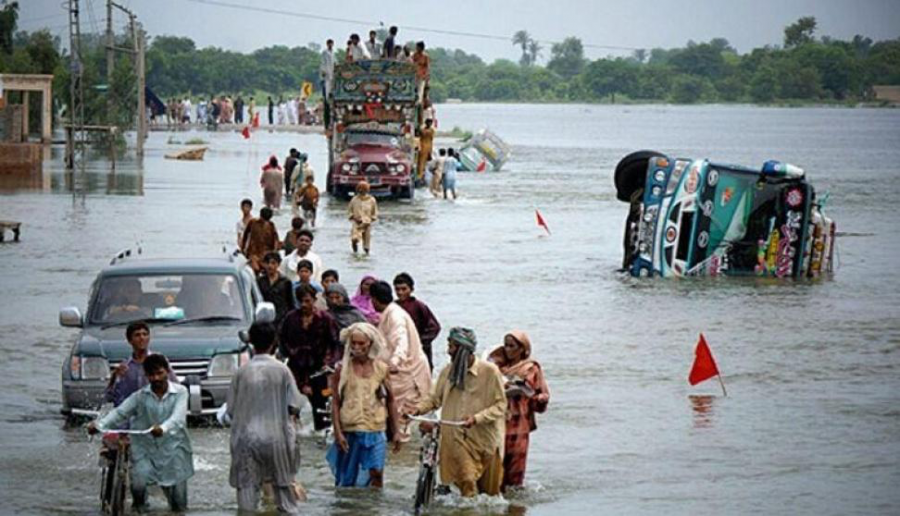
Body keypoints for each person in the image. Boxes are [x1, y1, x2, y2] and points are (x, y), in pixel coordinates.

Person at [407, 328, 506, 498]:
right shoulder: (447, 371)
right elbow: (434, 399)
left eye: (452, 347)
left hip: (483, 438)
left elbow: (500, 405)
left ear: (464, 350)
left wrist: (477, 418)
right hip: (455, 437)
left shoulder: (490, 372)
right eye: (449, 345)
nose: (448, 351)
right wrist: (416, 409)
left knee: (490, 493)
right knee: (467, 481)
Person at [87, 354, 194, 512]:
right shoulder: (139, 396)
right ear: (147, 376)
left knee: (179, 502)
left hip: (174, 448)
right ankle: (141, 510)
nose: (156, 378)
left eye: (160, 373)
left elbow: (178, 418)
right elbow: (120, 413)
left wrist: (163, 428)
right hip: (145, 448)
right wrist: (99, 425)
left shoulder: (181, 392)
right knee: (138, 485)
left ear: (167, 372)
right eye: (152, 375)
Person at [225, 322, 304, 512]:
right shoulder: (282, 370)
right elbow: (295, 404)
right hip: (277, 439)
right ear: (274, 342)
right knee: (285, 498)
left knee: (247, 501)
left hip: (245, 440)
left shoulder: (240, 372)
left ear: (250, 342)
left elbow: (231, 410)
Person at [327, 322, 402, 487]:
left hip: (375, 428)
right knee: (347, 478)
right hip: (350, 430)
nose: (357, 347)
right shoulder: (342, 370)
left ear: (370, 344)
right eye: (353, 343)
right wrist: (338, 433)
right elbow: (336, 403)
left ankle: (376, 507)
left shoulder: (381, 369)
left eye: (361, 343)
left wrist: (397, 431)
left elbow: (390, 400)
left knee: (376, 471)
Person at [488, 330, 550, 491]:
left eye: (512, 346)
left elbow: (539, 396)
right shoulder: (495, 366)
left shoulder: (531, 368)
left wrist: (541, 399)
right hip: (496, 419)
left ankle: (515, 507)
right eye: (506, 345)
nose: (508, 349)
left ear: (522, 349)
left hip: (519, 424)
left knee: (515, 468)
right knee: (494, 465)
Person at [370, 281, 432, 439]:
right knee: (392, 416)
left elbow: (401, 341)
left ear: (374, 299)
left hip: (408, 373)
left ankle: (401, 457)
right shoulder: (389, 313)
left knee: (402, 418)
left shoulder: (395, 316)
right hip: (398, 374)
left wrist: (395, 362)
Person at [280, 284, 341, 431]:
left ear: (314, 300)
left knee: (321, 405)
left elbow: (335, 344)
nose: (304, 305)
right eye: (300, 301)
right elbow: (282, 340)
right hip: (296, 368)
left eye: (307, 301)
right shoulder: (290, 318)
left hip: (319, 369)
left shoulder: (326, 319)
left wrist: (330, 364)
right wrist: (290, 354)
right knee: (291, 405)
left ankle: (322, 434)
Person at [106, 322, 179, 408]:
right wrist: (114, 376)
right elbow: (110, 396)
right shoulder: (125, 366)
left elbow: (176, 387)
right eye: (137, 335)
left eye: (145, 334)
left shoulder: (159, 361)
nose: (142, 338)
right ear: (130, 340)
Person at [393, 273, 441, 371]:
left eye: (404, 289)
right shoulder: (393, 307)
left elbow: (435, 327)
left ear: (411, 289)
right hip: (399, 350)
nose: (400, 292)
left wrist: (419, 341)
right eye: (397, 289)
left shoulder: (419, 306)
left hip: (420, 350)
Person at [258, 252, 295, 326]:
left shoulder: (285, 281)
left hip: (281, 319)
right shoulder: (260, 281)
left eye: (273, 263)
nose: (270, 266)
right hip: (265, 318)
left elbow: (290, 303)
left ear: (278, 264)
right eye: (267, 263)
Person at [241, 206, 279, 273]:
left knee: (268, 270)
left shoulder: (271, 225)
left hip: (266, 253)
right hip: (253, 253)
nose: (264, 222)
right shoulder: (252, 222)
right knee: (255, 269)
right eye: (263, 220)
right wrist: (243, 248)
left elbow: (276, 239)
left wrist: (274, 252)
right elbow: (245, 235)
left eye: (266, 220)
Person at [348, 181, 378, 255]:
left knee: (366, 246)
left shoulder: (371, 200)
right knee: (354, 239)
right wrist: (353, 217)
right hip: (356, 223)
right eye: (360, 189)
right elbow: (349, 211)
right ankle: (355, 252)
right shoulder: (354, 199)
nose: (361, 191)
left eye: (364, 189)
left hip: (367, 224)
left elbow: (375, 213)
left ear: (367, 190)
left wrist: (370, 219)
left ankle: (366, 255)